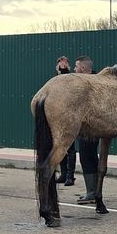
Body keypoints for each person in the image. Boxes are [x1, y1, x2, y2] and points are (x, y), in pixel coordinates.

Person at [71, 56, 103, 203]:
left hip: (88, 126)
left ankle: (92, 192)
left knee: (86, 157)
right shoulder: (98, 80)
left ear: (83, 69)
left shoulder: (87, 83)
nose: (74, 69)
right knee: (92, 157)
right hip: (94, 126)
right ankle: (95, 191)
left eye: (76, 66)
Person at [53, 56, 77, 186]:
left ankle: (70, 176)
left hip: (70, 117)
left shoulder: (70, 77)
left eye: (66, 62)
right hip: (59, 117)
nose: (63, 63)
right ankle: (63, 173)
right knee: (60, 146)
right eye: (60, 62)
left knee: (70, 147)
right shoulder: (55, 79)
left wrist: (64, 71)